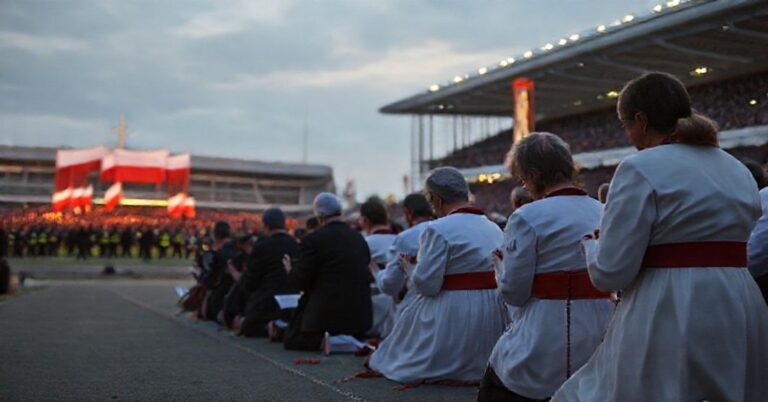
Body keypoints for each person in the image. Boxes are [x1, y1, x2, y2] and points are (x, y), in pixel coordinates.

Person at [553, 72, 768, 401]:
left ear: (640, 120)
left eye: (626, 124)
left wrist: (593, 245)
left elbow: (612, 272)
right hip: (740, 301)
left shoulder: (638, 167)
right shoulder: (736, 168)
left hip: (669, 305)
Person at [479, 133, 613, 401]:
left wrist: (500, 267)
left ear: (534, 173)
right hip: (603, 328)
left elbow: (514, 292)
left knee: (502, 377)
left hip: (546, 331)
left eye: (523, 178)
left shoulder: (526, 216)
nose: (524, 185)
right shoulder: (603, 210)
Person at [368, 167, 505, 384]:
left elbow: (427, 285)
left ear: (437, 199)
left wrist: (410, 269)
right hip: (492, 310)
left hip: (455, 312)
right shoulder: (493, 228)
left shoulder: (437, 229)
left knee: (398, 348)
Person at [283, 193, 372, 351]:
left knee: (292, 338)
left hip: (325, 317)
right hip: (359, 318)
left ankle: (332, 343)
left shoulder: (313, 240)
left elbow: (300, 281)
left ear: (319, 215)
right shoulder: (358, 238)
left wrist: (291, 271)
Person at [237, 208, 298, 337]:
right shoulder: (295, 244)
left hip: (267, 302)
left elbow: (251, 282)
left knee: (248, 327)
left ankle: (271, 329)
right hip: (292, 301)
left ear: (266, 225)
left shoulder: (262, 246)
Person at [370, 193, 434, 316]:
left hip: (421, 307)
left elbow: (390, 285)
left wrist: (377, 273)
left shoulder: (406, 238)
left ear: (408, 212)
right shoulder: (448, 228)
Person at [358, 198, 397, 339]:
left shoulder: (364, 242)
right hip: (399, 305)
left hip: (373, 305)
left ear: (365, 221)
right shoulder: (400, 239)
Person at [199, 221, 239, 322]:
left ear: (215, 234)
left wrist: (200, 276)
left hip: (219, 300)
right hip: (236, 300)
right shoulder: (237, 251)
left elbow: (210, 281)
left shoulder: (218, 255)